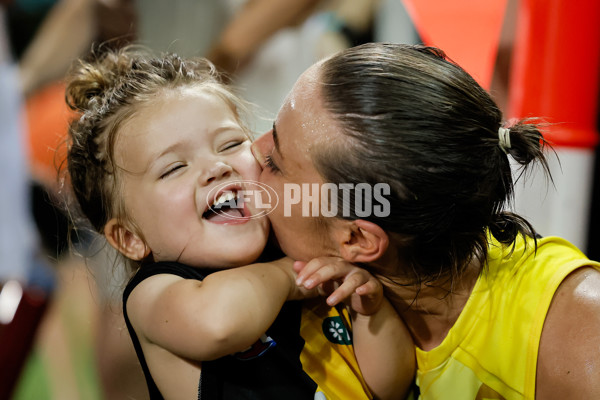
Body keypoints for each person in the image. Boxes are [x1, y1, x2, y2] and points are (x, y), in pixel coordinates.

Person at [63, 46, 414, 399]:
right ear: (129, 237)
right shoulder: (156, 294)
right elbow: (218, 323)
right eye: (174, 167)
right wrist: (292, 275)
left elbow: (389, 385)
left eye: (230, 144)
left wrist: (371, 312)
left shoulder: (297, 256)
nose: (217, 167)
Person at [252, 42, 600, 398]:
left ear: (358, 239)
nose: (252, 148)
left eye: (276, 162)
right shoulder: (271, 277)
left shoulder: (575, 336)